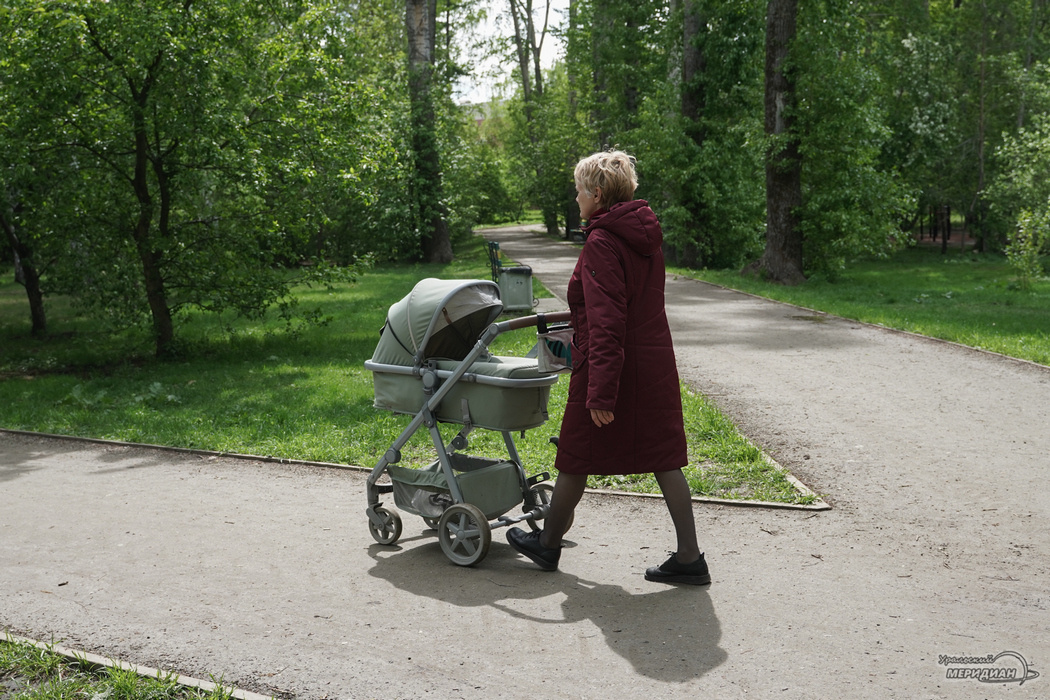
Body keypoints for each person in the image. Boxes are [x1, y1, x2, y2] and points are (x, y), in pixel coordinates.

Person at [506, 150, 710, 585]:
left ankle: (547, 545)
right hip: (651, 362)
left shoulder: (602, 242)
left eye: (578, 191)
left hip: (611, 366)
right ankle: (690, 557)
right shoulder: (644, 237)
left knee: (576, 454)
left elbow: (607, 321)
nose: (575, 199)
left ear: (596, 194)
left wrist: (600, 390)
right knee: (664, 456)